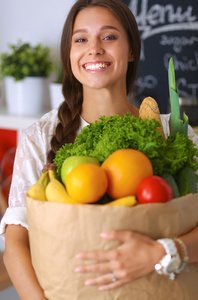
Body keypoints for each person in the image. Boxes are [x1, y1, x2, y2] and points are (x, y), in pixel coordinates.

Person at [0, 0, 198, 299]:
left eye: (109, 36)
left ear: (131, 50)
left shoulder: (174, 132)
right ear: (70, 54)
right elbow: (16, 245)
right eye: (80, 39)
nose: (94, 48)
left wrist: (161, 251)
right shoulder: (40, 136)